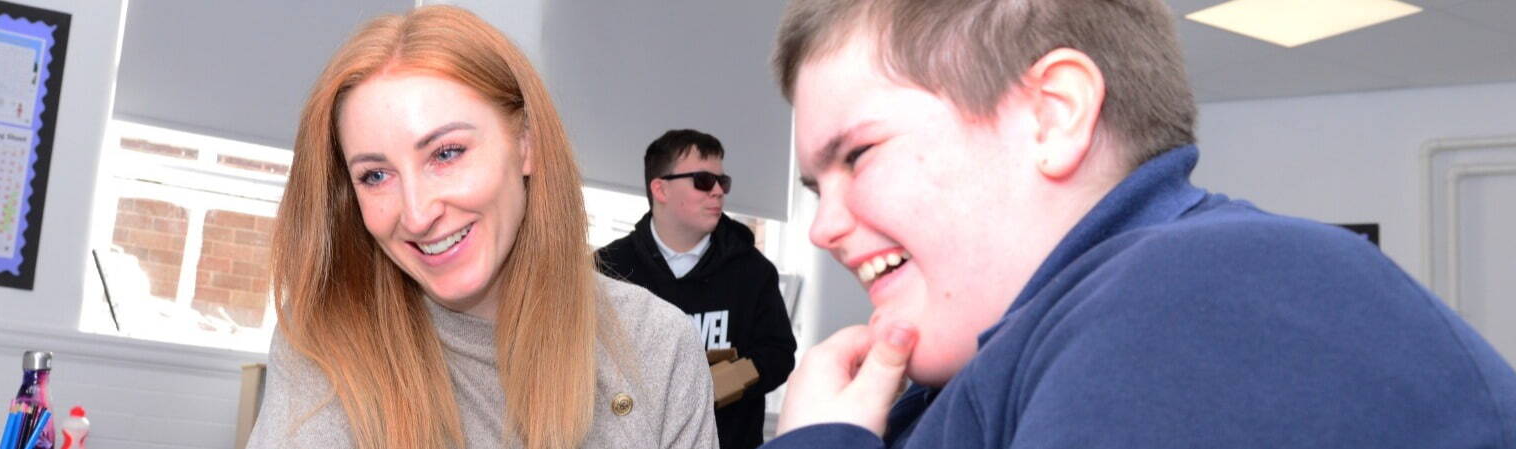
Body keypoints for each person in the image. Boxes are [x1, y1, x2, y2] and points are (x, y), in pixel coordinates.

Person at [761, 0, 1516, 448]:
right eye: (813, 185)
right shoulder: (1034, 346)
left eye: (857, 154)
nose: (825, 226)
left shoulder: (1205, 295)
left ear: (1052, 116)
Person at [249, 6, 718, 449]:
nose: (416, 214)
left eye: (446, 153)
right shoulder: (327, 337)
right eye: (375, 176)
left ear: (526, 145)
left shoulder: (655, 344)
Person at [597, 129, 798, 449]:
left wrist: (719, 385)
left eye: (723, 182)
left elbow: (778, 355)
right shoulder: (608, 269)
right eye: (704, 181)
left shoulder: (753, 271)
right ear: (660, 189)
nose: (718, 192)